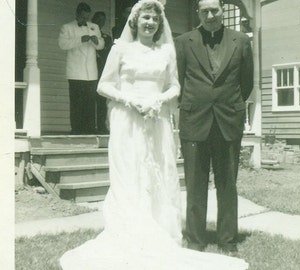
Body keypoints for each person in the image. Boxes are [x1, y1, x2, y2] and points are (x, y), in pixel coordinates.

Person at [60, 1, 248, 269]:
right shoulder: (120, 48)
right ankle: (130, 234)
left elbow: (174, 87)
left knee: (157, 174)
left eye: (155, 19)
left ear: (160, 24)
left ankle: (159, 232)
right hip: (128, 120)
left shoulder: (166, 52)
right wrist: (130, 101)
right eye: (145, 18)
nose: (150, 23)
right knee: (130, 175)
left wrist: (159, 101)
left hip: (157, 120)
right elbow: (103, 85)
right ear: (135, 21)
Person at [175, 0, 254, 253]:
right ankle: (195, 241)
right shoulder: (184, 41)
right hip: (194, 121)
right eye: (204, 11)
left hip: (228, 121)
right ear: (198, 13)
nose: (210, 15)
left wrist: (228, 104)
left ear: (222, 11)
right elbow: (179, 80)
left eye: (214, 10)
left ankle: (228, 241)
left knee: (227, 184)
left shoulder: (240, 41)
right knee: (195, 184)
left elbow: (247, 83)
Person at [58, 2, 104, 135]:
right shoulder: (67, 27)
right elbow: (62, 44)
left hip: (91, 71)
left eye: (87, 17)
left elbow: (101, 44)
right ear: (77, 14)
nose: (85, 20)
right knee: (77, 102)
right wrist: (80, 40)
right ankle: (77, 129)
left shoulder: (94, 27)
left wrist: (96, 42)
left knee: (90, 101)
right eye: (83, 17)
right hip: (75, 71)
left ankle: (89, 128)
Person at [91, 11, 113, 134]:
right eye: (98, 20)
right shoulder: (88, 34)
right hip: (87, 71)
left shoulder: (106, 38)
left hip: (101, 71)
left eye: (102, 21)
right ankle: (89, 126)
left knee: (101, 99)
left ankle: (101, 126)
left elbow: (108, 54)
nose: (100, 23)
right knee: (89, 99)